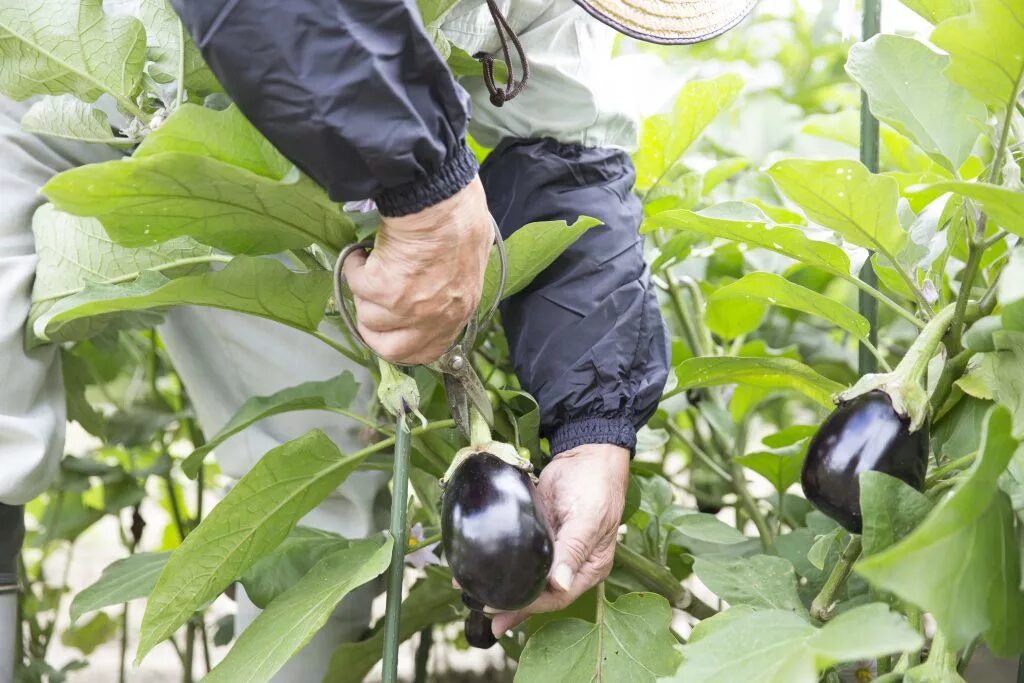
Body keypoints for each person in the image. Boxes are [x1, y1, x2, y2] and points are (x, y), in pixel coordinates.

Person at [0, 0, 756, 679]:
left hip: (280, 157)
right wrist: (425, 181)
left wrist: (594, 426)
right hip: (39, 68)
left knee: (320, 513)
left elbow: (567, 154)